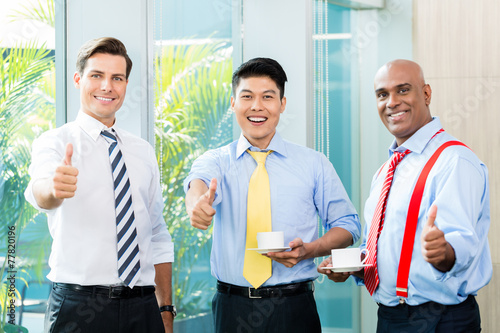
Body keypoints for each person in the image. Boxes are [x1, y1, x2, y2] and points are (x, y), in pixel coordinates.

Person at [184, 57, 361, 332]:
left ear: (282, 104)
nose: (257, 106)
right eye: (247, 96)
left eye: (268, 97)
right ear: (233, 103)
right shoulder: (216, 160)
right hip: (232, 308)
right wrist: (197, 205)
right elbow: (198, 184)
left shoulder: (314, 163)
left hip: (293, 307)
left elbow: (348, 225)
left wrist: (308, 251)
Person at [318, 59, 492, 332]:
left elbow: (462, 247)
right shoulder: (386, 170)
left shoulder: (454, 160)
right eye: (382, 94)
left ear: (426, 94)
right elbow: (393, 245)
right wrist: (357, 265)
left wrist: (443, 252)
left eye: (403, 90)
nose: (392, 102)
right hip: (390, 319)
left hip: (440, 320)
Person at [25, 37, 175, 333]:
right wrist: (54, 188)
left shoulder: (142, 150)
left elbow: (156, 233)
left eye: (116, 78)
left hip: (143, 307)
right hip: (79, 309)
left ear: (125, 85)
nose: (107, 86)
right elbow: (40, 192)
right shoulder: (55, 142)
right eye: (97, 75)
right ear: (78, 79)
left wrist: (165, 309)